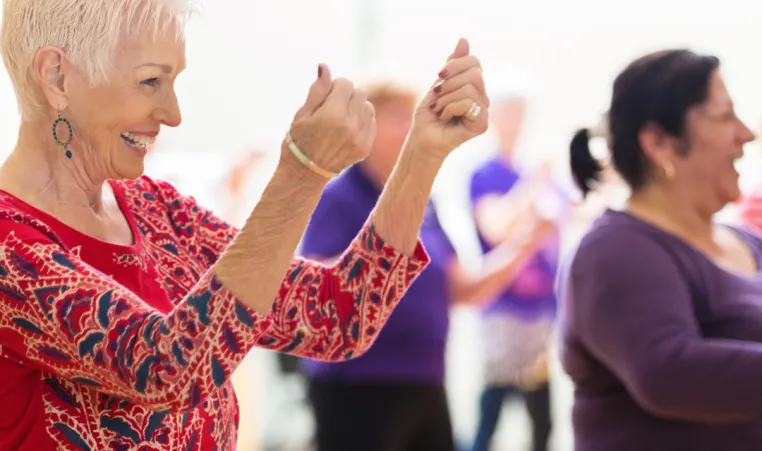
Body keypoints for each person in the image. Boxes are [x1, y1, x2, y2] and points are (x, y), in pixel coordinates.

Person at [0, 0, 491, 448]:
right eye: (151, 81)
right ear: (57, 77)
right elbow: (168, 370)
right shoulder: (9, 245)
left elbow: (339, 315)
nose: (173, 114)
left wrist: (423, 152)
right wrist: (301, 174)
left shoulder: (157, 210)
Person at [299, 78, 543, 451]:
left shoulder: (425, 204)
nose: (411, 131)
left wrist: (524, 242)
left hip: (425, 378)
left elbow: (462, 290)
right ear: (366, 125)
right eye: (399, 118)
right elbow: (312, 291)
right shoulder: (339, 197)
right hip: (358, 385)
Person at [558, 49, 762, 451]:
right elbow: (668, 372)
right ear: (660, 143)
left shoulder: (749, 242)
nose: (747, 134)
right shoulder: (616, 250)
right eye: (725, 117)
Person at [469, 86, 569, 451]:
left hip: (541, 310)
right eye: (509, 111)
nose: (516, 120)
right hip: (503, 310)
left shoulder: (538, 172)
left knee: (541, 417)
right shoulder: (485, 173)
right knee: (493, 406)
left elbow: (566, 222)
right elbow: (495, 227)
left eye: (521, 112)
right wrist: (534, 186)